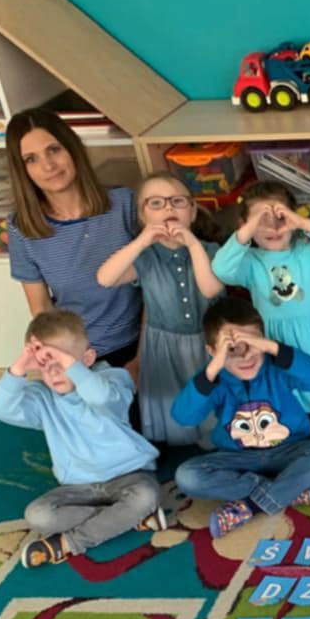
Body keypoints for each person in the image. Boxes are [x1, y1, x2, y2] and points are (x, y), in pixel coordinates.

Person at [0, 310, 161, 568]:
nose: (54, 372)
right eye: (46, 364)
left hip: (128, 476)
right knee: (37, 515)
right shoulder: (42, 397)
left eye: (62, 363)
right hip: (78, 487)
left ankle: (69, 543)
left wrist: (71, 365)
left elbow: (102, 398)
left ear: (87, 359)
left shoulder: (113, 379)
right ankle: (124, 519)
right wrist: (20, 365)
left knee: (146, 496)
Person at [170, 299, 310, 539]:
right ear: (213, 352)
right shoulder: (213, 379)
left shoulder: (277, 367)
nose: (245, 356)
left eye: (251, 344)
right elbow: (184, 417)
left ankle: (251, 506)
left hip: (289, 452)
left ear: (264, 341)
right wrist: (211, 370)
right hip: (238, 458)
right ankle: (291, 489)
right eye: (231, 349)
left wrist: (273, 349)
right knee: (187, 476)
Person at [212, 180, 310, 440]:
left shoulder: (306, 253)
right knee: (296, 396)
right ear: (246, 226)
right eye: (262, 220)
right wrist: (247, 230)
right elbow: (221, 269)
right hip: (278, 339)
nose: (273, 227)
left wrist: (304, 223)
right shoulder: (250, 263)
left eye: (280, 217)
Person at [5, 108, 142, 368]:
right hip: (77, 355)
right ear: (22, 170)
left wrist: (140, 361)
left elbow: (157, 287)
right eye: (31, 159)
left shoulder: (125, 204)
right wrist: (68, 366)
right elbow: (41, 310)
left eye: (54, 150)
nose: (48, 166)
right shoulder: (21, 228)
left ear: (72, 149)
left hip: (141, 346)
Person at [95, 172, 219, 447]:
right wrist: (141, 241)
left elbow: (210, 289)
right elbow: (105, 278)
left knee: (208, 399)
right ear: (143, 216)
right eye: (156, 203)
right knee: (172, 399)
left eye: (177, 201)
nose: (168, 208)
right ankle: (179, 439)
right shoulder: (145, 257)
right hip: (163, 345)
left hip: (206, 342)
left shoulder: (210, 250)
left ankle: (211, 439)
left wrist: (192, 243)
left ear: (192, 211)